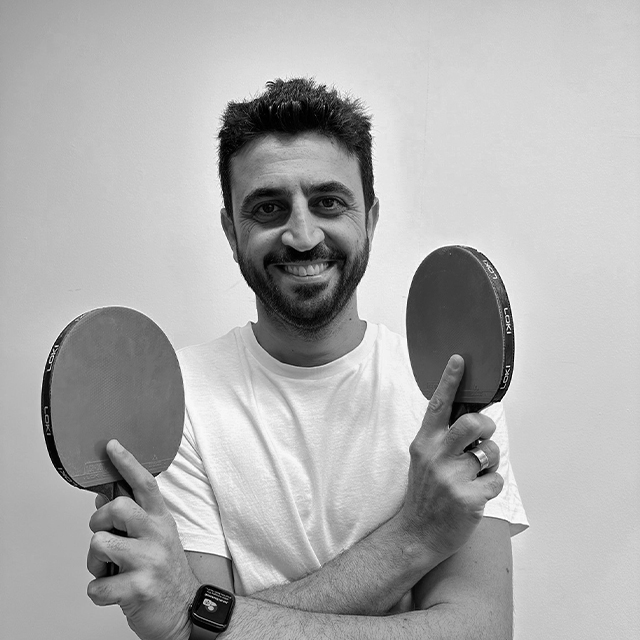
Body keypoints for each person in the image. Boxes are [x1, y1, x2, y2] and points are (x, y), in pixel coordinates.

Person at [86, 78, 528, 640]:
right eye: (269, 208)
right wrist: (416, 536)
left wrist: (212, 616)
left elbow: (479, 631)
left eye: (328, 202)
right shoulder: (177, 397)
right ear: (231, 230)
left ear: (369, 218)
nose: (301, 234)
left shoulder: (452, 389)